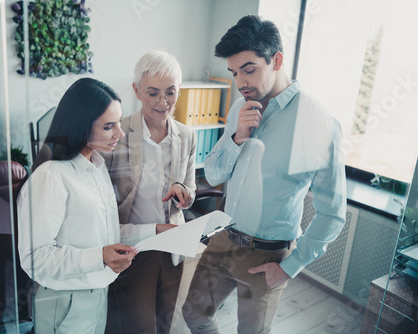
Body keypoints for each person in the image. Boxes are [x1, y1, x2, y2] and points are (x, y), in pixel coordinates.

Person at [182, 15, 347, 334]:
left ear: (277, 60)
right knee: (194, 314)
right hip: (222, 238)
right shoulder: (238, 109)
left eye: (249, 69)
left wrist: (289, 268)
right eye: (233, 72)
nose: (240, 82)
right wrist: (235, 139)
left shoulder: (318, 123)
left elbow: (332, 214)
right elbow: (214, 174)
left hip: (267, 256)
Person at [17, 78, 138, 334]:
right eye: (108, 126)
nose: (120, 133)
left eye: (119, 122)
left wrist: (157, 231)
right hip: (66, 299)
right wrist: (100, 257)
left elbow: (105, 235)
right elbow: (34, 258)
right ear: (81, 127)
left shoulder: (96, 165)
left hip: (96, 293)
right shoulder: (51, 176)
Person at [104, 50, 197, 334]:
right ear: (137, 91)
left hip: (173, 248)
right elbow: (104, 198)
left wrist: (184, 191)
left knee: (164, 321)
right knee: (138, 326)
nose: (162, 102)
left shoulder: (186, 135)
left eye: (170, 93)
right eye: (153, 93)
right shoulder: (117, 135)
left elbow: (190, 188)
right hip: (135, 246)